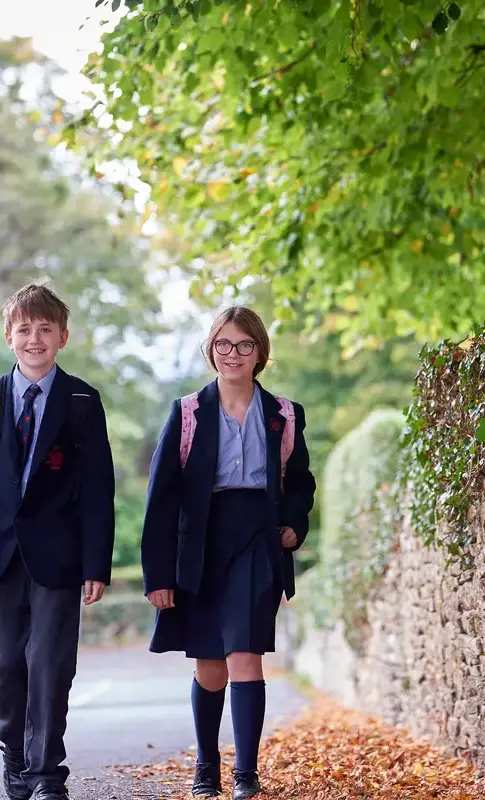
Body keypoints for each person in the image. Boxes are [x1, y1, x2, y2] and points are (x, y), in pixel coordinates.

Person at [142, 306, 316, 799]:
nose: (233, 353)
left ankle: (246, 775)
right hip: (201, 544)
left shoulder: (284, 413)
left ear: (260, 352)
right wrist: (158, 574)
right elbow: (162, 498)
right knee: (210, 665)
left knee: (245, 655)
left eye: (244, 344)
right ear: (210, 349)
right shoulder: (188, 412)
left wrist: (293, 526)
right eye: (223, 343)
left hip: (258, 541)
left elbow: (300, 481)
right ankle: (207, 767)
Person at [0, 284, 115, 800]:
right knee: (5, 666)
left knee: (48, 666)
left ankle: (48, 776)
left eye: (45, 329)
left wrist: (97, 563)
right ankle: (16, 764)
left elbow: (97, 489)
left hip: (60, 557)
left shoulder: (82, 402)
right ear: (9, 337)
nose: (35, 338)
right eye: (24, 329)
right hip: (1, 557)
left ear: (63, 336)